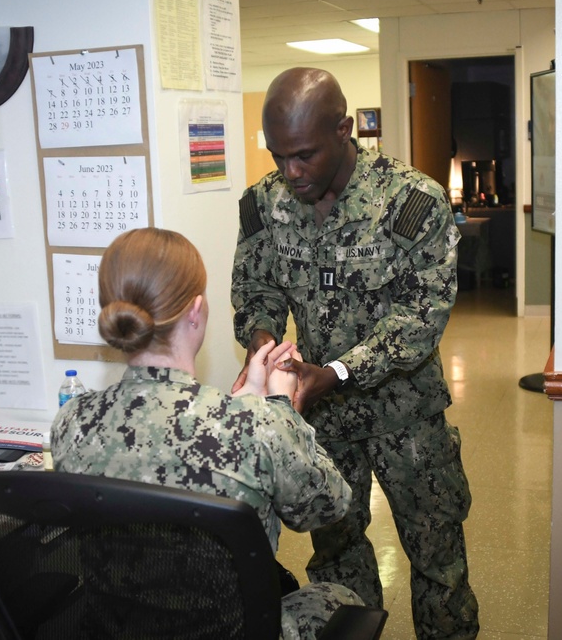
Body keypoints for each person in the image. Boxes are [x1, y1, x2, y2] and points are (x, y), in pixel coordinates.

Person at [231, 67, 479, 639]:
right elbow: (256, 289)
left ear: (346, 130)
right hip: (322, 418)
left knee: (437, 556)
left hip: (406, 414)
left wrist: (339, 371)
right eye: (277, 156)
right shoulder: (264, 205)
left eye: (304, 155)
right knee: (337, 556)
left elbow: (419, 320)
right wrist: (264, 344)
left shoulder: (411, 201)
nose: (290, 172)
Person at [51, 227, 364, 640]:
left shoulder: (72, 421)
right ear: (196, 312)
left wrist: (252, 396)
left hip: (118, 630)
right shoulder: (255, 427)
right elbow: (328, 506)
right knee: (341, 599)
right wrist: (280, 410)